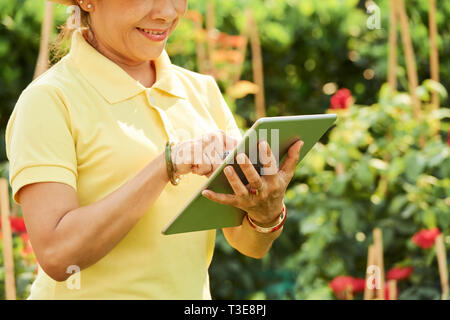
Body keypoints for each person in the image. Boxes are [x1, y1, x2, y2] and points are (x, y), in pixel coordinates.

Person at [5, 0, 304, 299]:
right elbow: (58, 255)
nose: (166, 12)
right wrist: (167, 165)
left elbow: (248, 244)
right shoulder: (49, 100)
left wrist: (266, 212)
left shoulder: (201, 93)